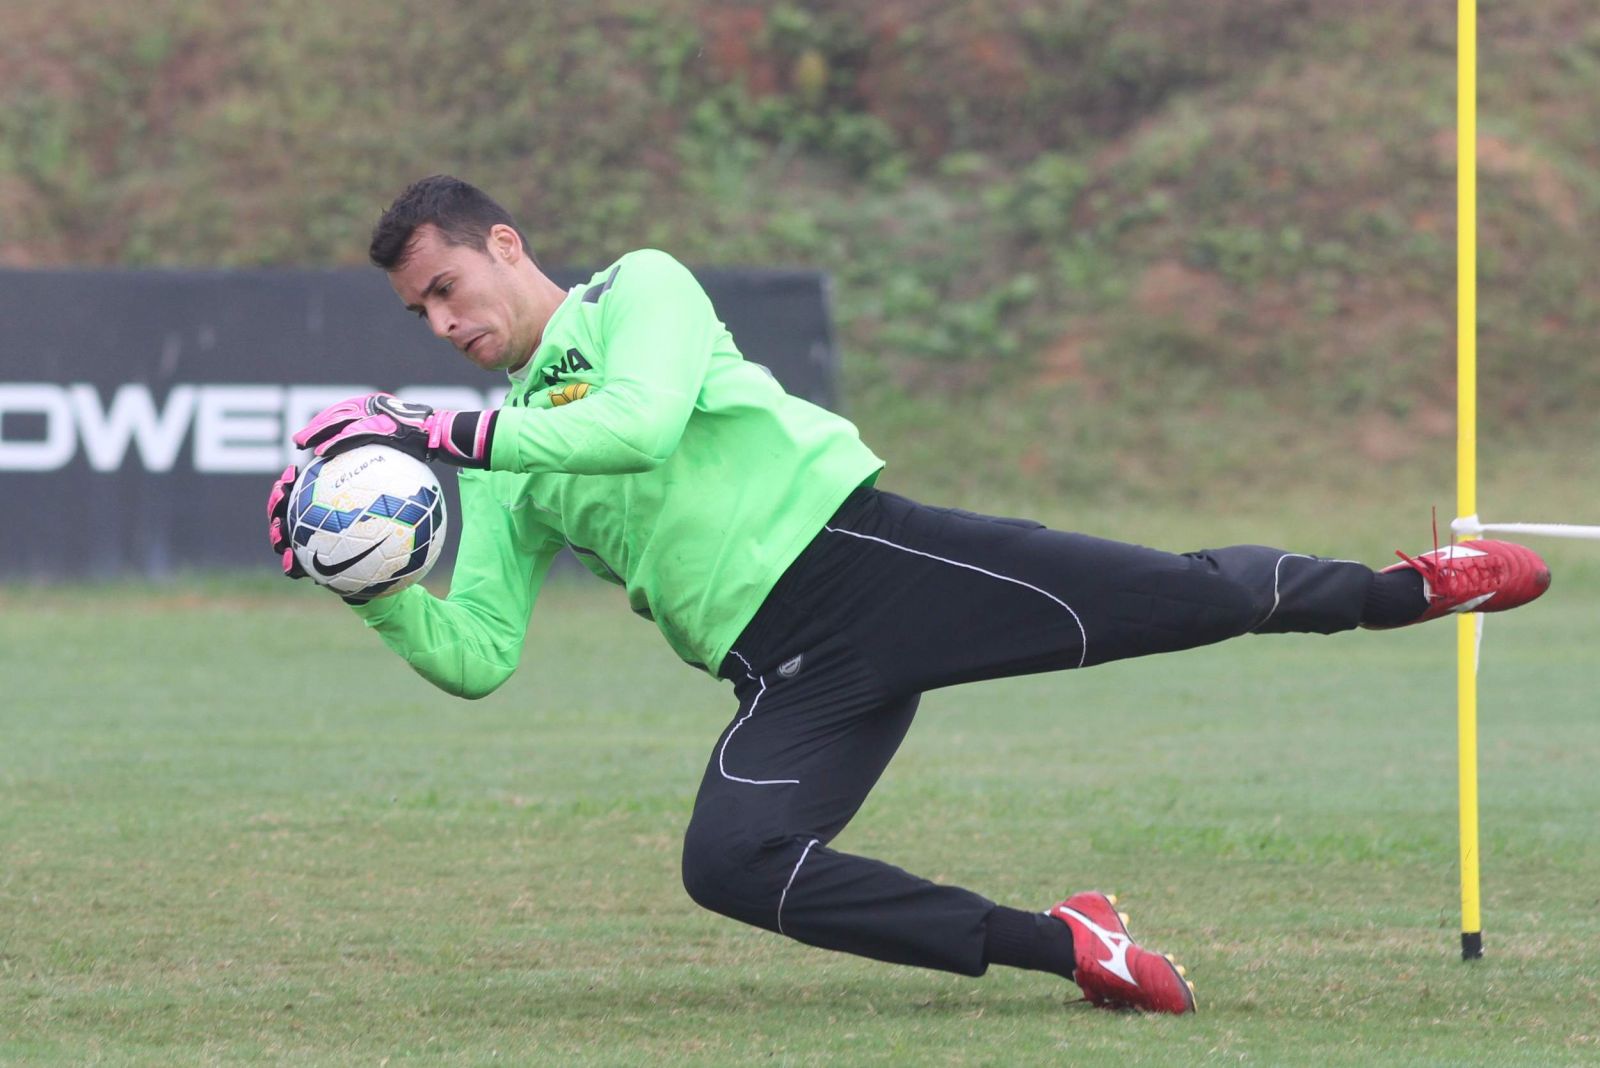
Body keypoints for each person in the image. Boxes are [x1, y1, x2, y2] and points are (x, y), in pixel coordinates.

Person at [265, 175, 1551, 1014]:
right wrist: (365, 586)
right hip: (786, 674)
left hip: (872, 566)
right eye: (418, 314)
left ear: (505, 245)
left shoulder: (637, 290)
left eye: (446, 288)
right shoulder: (499, 461)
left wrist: (432, 429)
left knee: (1180, 597)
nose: (441, 323)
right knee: (731, 866)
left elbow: (641, 424)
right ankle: (1068, 944)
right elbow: (480, 654)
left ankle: (1405, 591)